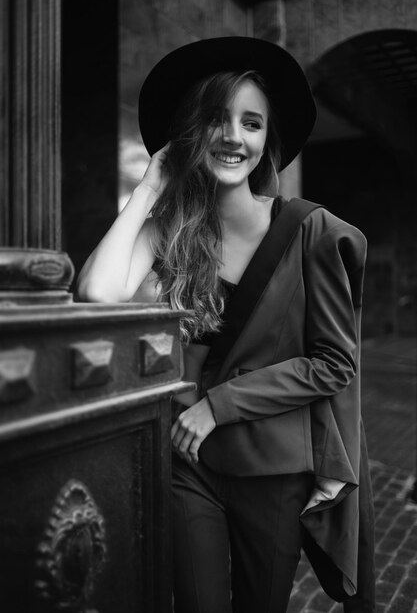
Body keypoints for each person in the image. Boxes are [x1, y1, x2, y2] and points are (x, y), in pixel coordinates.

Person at [77, 37, 375, 613]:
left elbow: (335, 363)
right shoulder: (173, 230)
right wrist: (149, 188)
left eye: (251, 123)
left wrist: (220, 404)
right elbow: (96, 292)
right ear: (191, 130)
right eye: (215, 119)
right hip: (190, 462)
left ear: (267, 142)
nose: (233, 137)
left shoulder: (310, 230)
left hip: (273, 466)